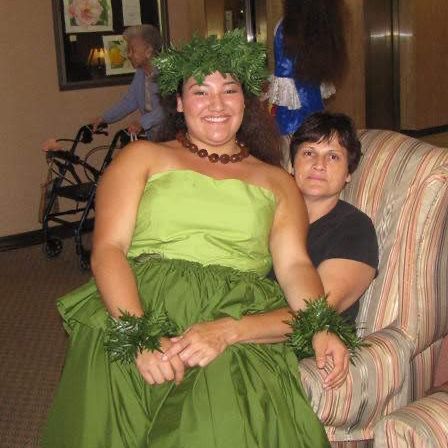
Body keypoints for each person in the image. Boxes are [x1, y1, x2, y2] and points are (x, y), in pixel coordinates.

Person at [42, 31, 356, 448]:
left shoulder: (278, 181)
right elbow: (108, 251)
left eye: (229, 90)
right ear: (179, 102)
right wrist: (139, 336)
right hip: (138, 301)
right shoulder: (141, 157)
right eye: (200, 91)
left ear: (246, 101)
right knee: (114, 407)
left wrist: (319, 326)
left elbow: (295, 266)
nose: (216, 104)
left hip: (232, 311)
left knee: (220, 422)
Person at [282, 112, 378, 324]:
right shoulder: (270, 214)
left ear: (348, 173)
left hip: (307, 341)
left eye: (333, 156)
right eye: (309, 153)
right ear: (292, 165)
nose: (319, 164)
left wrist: (228, 330)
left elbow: (315, 314)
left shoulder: (355, 229)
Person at [268, 0, 347, 168]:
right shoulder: (321, 28)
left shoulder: (288, 27)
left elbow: (285, 71)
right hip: (313, 109)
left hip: (292, 114)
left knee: (294, 158)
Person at [91, 24, 165, 140]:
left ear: (148, 51)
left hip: (173, 137)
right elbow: (129, 102)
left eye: (132, 50)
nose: (129, 55)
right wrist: (104, 118)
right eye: (128, 50)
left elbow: (167, 108)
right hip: (155, 137)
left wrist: (142, 123)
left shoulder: (166, 73)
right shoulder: (140, 73)